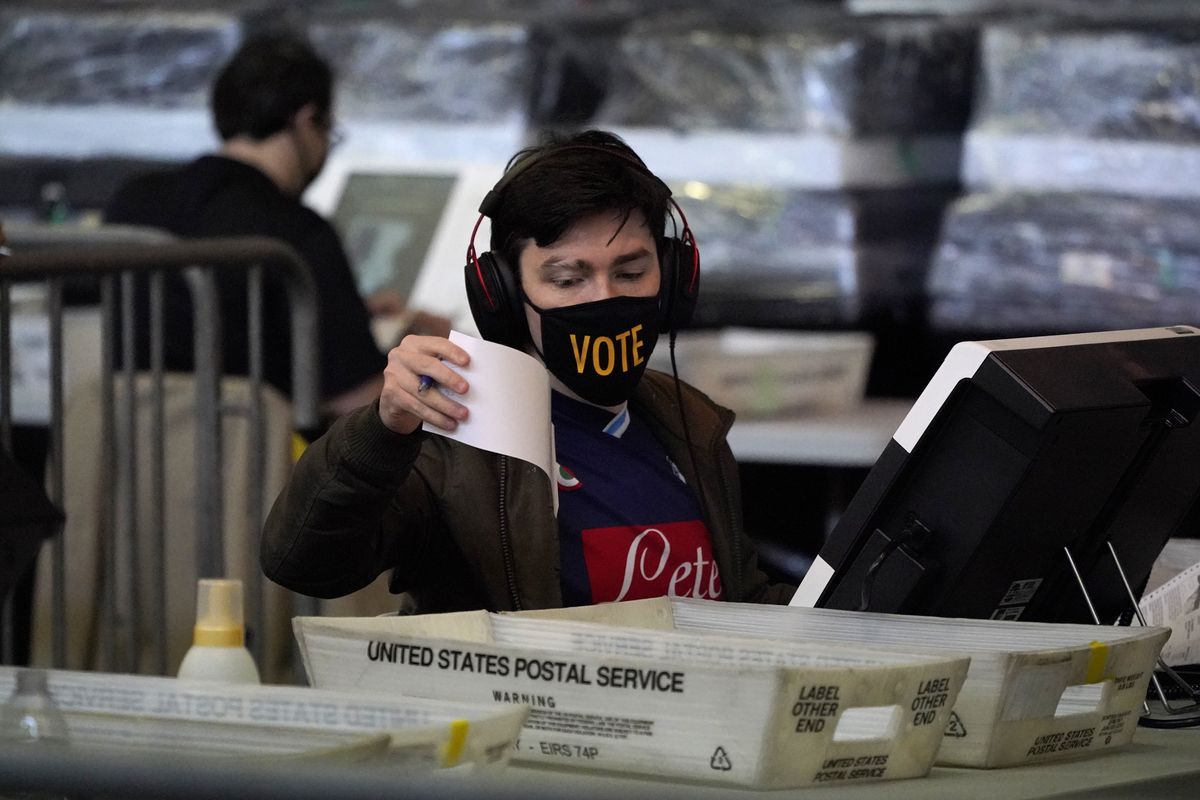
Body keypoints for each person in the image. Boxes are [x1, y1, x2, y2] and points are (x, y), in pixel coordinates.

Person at [262, 130, 794, 612]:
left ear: (673, 277)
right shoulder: (455, 424)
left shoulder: (690, 422)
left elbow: (737, 603)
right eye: (566, 280)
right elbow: (304, 563)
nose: (605, 298)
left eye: (631, 272)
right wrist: (380, 431)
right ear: (506, 297)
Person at [104, 32, 386, 417]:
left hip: (127, 456)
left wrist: (354, 311)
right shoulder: (295, 234)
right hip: (252, 466)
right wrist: (416, 352)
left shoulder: (133, 202)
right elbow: (359, 400)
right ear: (305, 121)